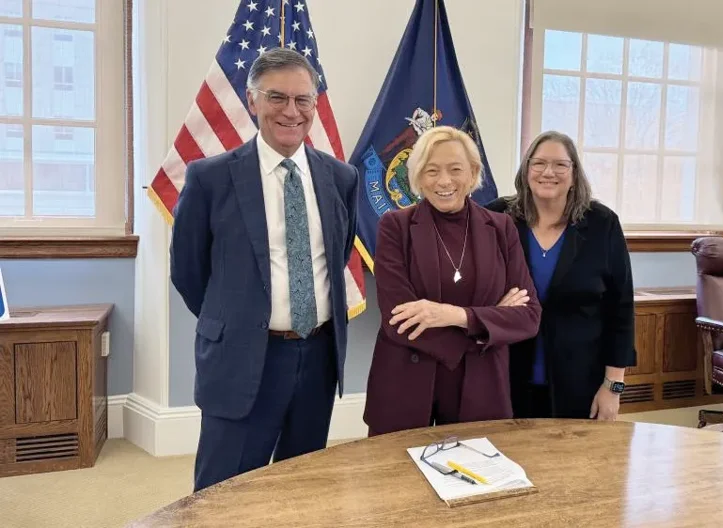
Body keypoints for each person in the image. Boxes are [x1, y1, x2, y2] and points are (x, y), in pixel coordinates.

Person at [170, 48, 359, 492]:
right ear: (252, 101)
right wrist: (239, 320)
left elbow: (338, 252)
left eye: (303, 100)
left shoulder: (341, 178)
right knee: (224, 493)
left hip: (317, 357)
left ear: (315, 104)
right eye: (277, 98)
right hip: (241, 357)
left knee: (300, 488)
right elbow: (188, 272)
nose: (291, 111)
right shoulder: (209, 178)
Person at [363, 126, 541, 436]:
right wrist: (487, 322)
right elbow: (398, 318)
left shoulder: (501, 228)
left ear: (473, 173)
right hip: (405, 384)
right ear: (417, 176)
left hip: (481, 385)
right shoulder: (395, 226)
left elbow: (528, 316)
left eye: (455, 169)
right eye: (431, 171)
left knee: (477, 479)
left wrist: (455, 316)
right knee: (397, 480)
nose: (444, 181)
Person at [486, 130, 636, 420]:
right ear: (526, 170)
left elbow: (621, 310)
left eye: (560, 165)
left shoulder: (602, 224)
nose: (548, 172)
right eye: (538, 163)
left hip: (581, 384)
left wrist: (613, 387)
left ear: (574, 173)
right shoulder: (497, 217)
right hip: (506, 378)